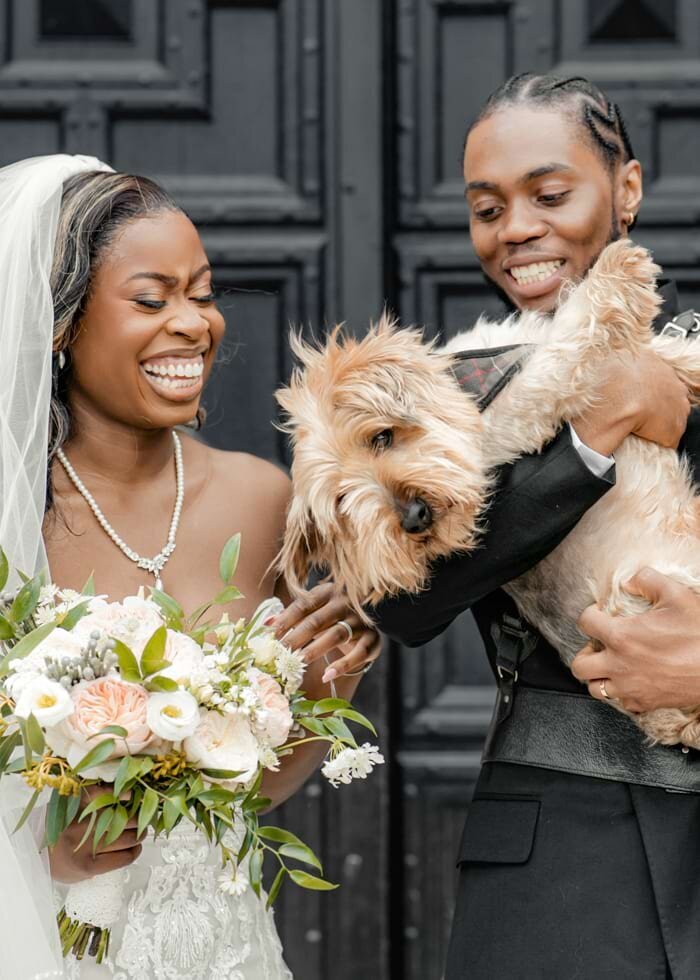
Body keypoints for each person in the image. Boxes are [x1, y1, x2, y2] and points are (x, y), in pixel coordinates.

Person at [0, 156, 380, 980]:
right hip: (53, 943)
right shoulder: (13, 519)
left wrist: (328, 687)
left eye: (201, 295)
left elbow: (248, 786)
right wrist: (44, 846)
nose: (192, 323)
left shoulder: (261, 496)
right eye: (152, 300)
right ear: (62, 325)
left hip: (225, 944)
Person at [369, 75, 700, 979]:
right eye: (487, 209)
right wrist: (593, 432)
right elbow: (401, 599)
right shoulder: (454, 388)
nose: (516, 228)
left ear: (626, 189)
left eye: (550, 195)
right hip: (558, 863)